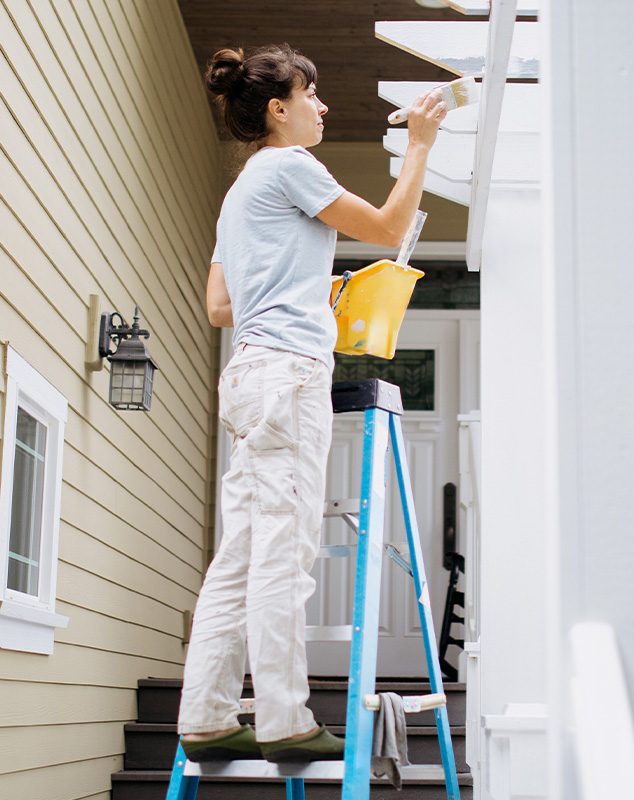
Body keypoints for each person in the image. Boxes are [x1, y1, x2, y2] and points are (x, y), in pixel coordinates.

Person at [177, 43, 447, 763]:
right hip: (288, 378)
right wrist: (419, 146)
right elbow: (389, 230)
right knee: (284, 554)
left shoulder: (240, 193)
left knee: (239, 553)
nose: (323, 106)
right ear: (278, 107)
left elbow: (219, 305)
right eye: (313, 94)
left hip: (249, 375)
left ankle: (206, 716)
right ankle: (285, 719)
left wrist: (307, 292)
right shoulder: (291, 165)